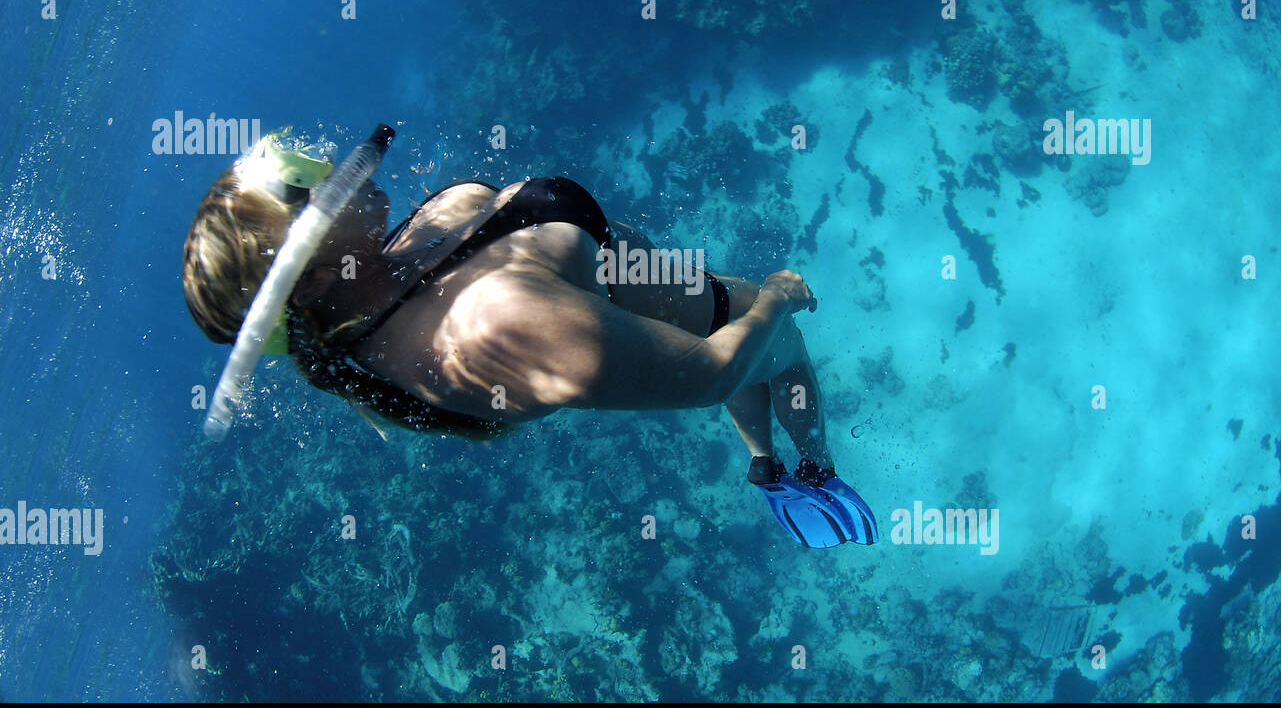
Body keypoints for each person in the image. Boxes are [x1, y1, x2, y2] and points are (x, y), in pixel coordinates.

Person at [182, 128, 879, 548]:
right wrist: (780, 301)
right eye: (323, 192)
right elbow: (707, 376)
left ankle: (766, 468)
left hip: (632, 278)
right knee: (767, 342)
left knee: (730, 320)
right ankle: (816, 471)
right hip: (644, 303)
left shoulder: (375, 278)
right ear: (305, 285)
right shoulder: (493, 322)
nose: (344, 171)